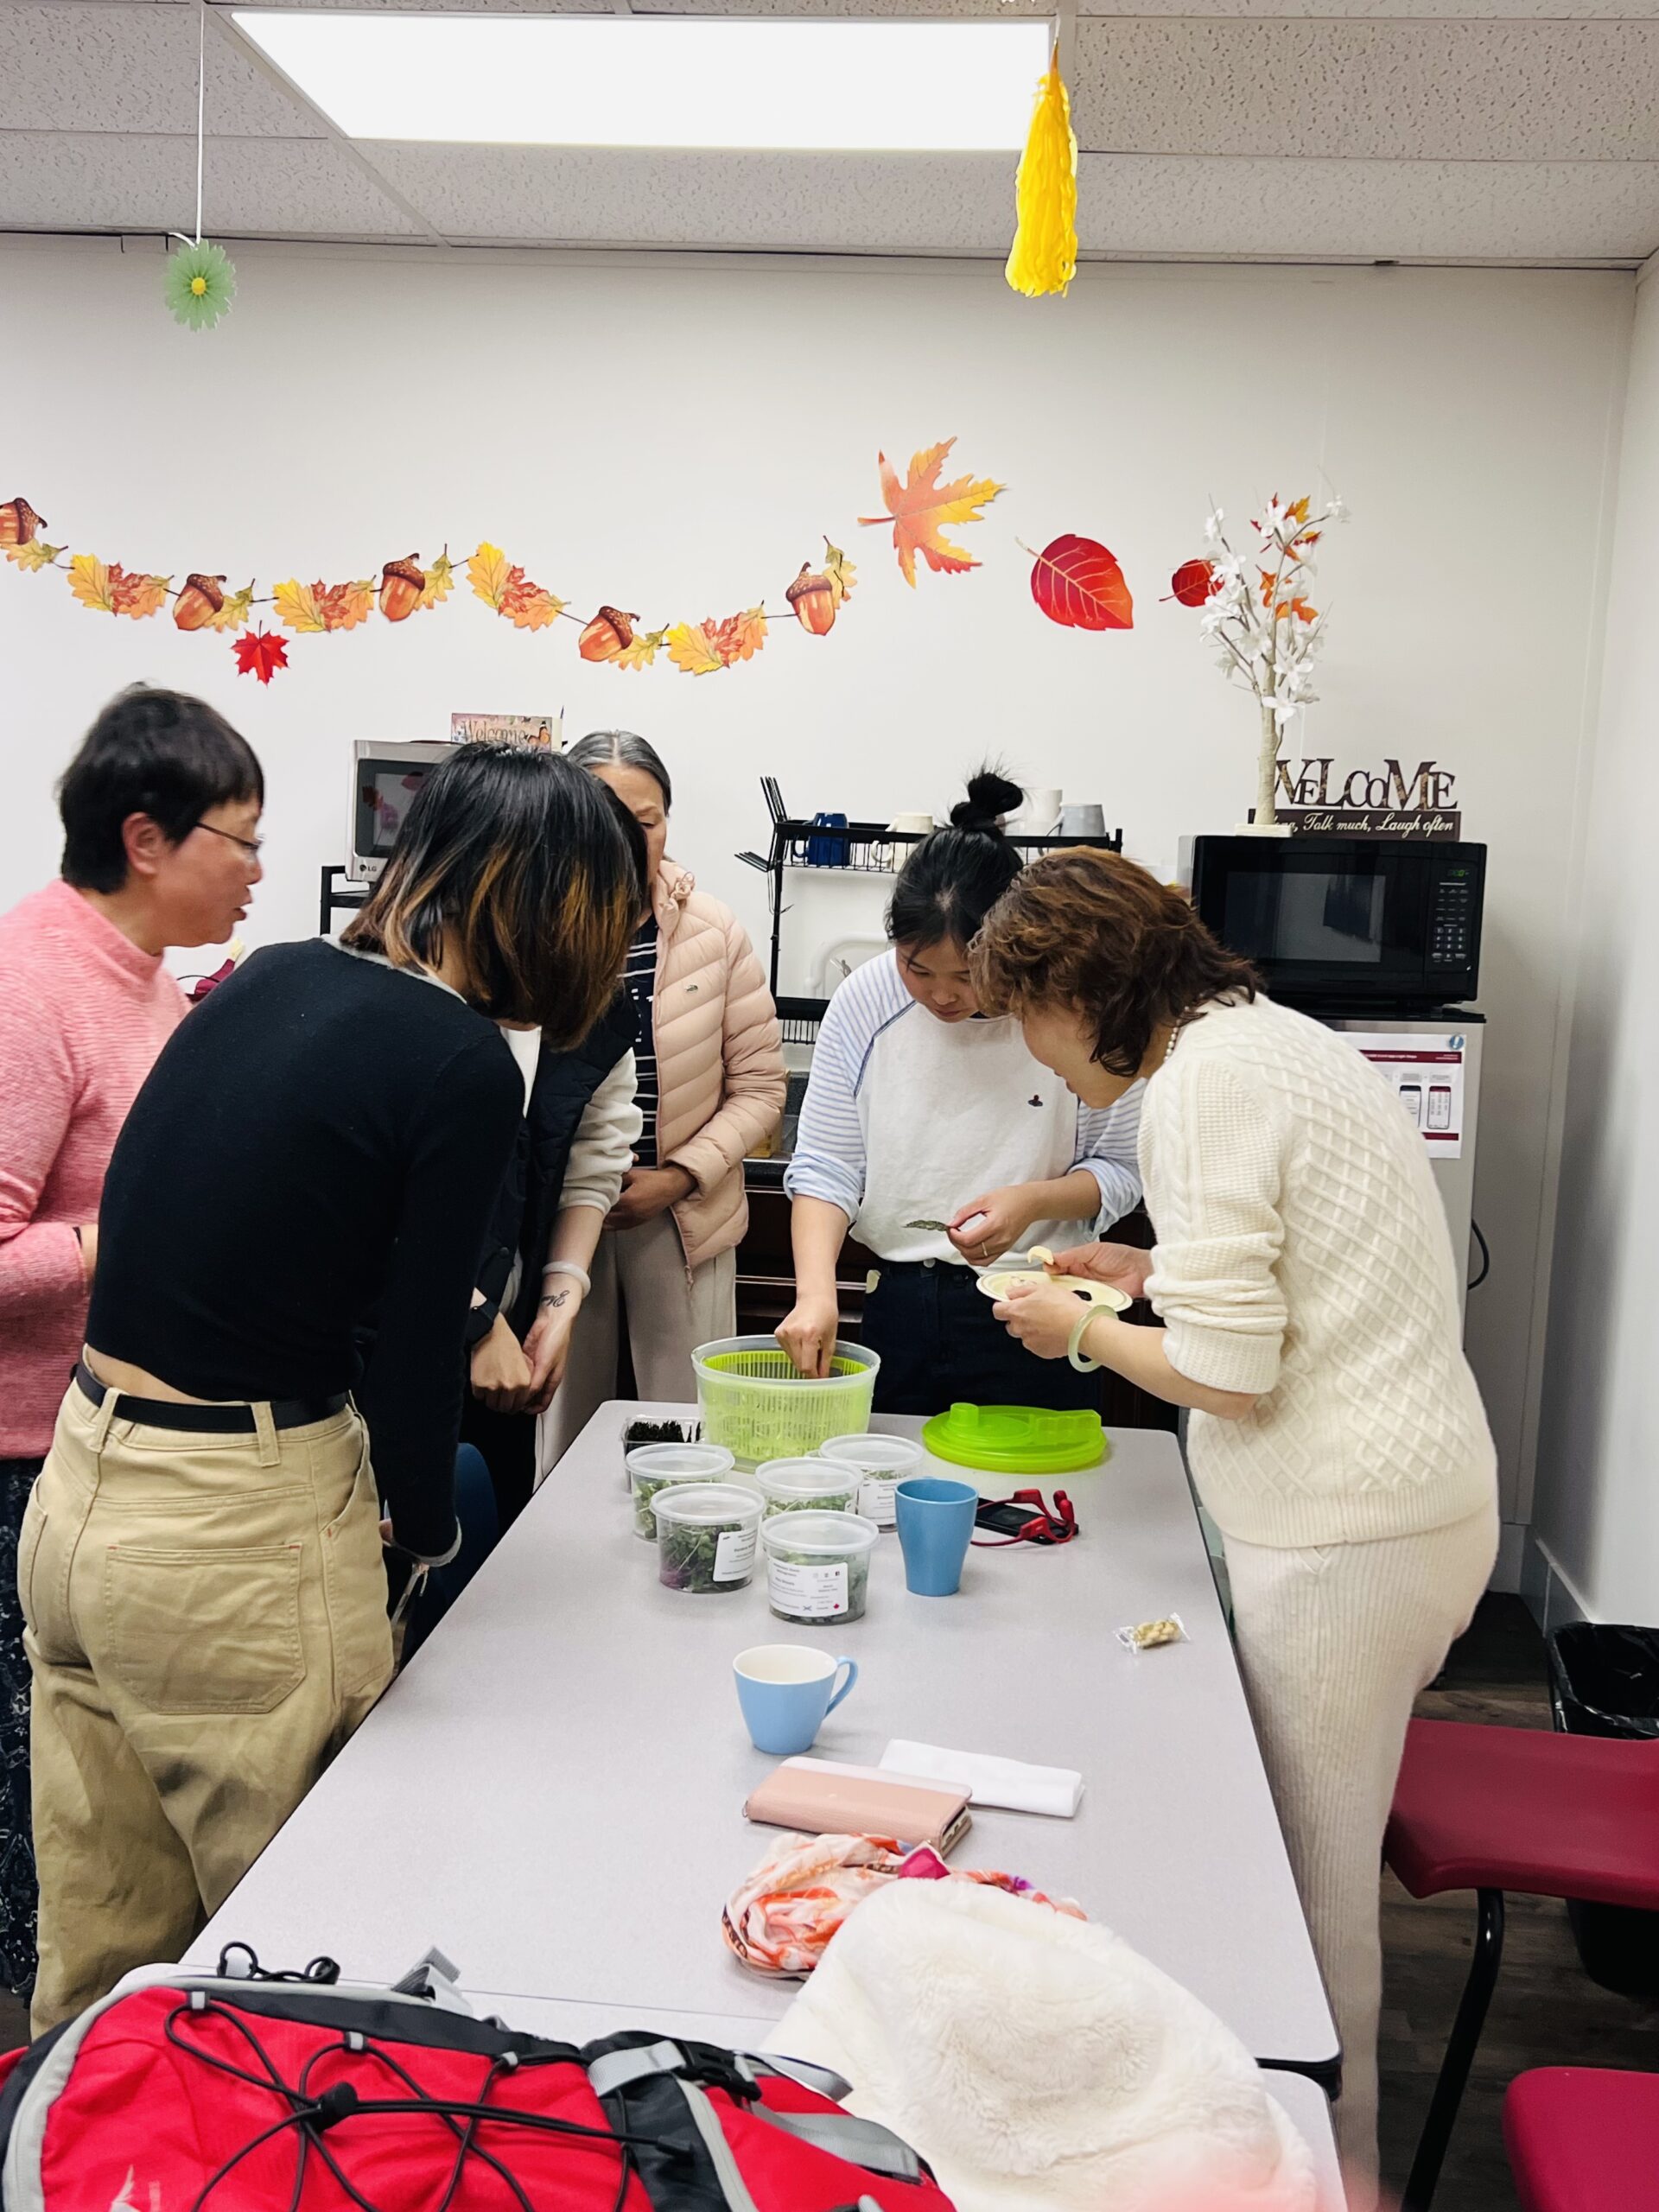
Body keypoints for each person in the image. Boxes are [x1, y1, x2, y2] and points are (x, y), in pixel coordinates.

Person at [20, 741, 639, 2032]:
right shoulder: (461, 1063)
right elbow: (416, 1358)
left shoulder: (269, 977)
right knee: (306, 1965)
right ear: (557, 908)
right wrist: (419, 1537)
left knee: (106, 1953)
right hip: (229, 1527)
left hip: (80, 1496)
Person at [972, 848, 1499, 2199]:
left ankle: (1342, 2176)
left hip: (1346, 1538)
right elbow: (1301, 1272)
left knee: (1309, 1910)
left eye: (1028, 1019)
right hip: (1403, 1506)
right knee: (1292, 1876)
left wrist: (1079, 1325)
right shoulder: (1270, 1045)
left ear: (1078, 990)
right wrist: (1149, 1271)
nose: (1040, 1056)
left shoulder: (1199, 1089)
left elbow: (1232, 1371)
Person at [0, 687, 263, 2001]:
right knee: (43, 1844)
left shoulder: (149, 982)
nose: (260, 875)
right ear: (150, 839)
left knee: (96, 1838)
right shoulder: (29, 988)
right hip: (24, 1465)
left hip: (114, 1453)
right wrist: (130, 1233)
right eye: (243, 841)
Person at [776, 772, 1142, 1413]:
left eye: (968, 975)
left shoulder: (1068, 1013)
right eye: (917, 969)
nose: (942, 995)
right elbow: (828, 1165)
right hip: (898, 1299)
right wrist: (815, 1293)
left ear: (1012, 945)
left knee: (1033, 1500)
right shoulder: (867, 1000)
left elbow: (1119, 1168)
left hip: (1038, 1306)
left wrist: (1032, 1201)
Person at [547, 731, 785, 1459]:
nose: (625, 839)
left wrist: (680, 1177)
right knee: (560, 1433)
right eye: (604, 816)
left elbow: (760, 1086)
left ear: (668, 823)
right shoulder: (533, 929)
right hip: (561, 1216)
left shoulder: (713, 932)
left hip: (683, 1216)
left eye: (645, 821)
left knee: (695, 1435)